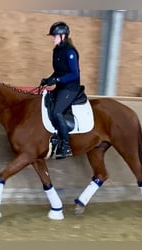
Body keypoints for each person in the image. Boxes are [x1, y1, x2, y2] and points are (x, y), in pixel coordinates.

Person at [41, 21, 81, 159]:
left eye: (55, 36)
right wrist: (49, 79)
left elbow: (74, 74)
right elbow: (58, 71)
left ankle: (66, 146)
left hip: (70, 88)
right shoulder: (57, 50)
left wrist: (57, 80)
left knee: (57, 112)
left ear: (63, 36)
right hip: (61, 87)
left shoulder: (70, 52)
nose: (53, 38)